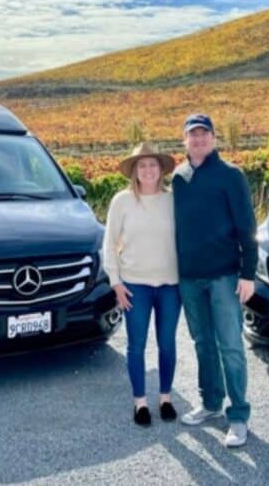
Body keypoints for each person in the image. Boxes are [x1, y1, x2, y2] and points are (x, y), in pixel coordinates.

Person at [172, 113, 257, 448]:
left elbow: (247, 227)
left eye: (204, 134)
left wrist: (248, 273)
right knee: (202, 344)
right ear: (185, 140)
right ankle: (210, 404)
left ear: (214, 138)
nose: (199, 139)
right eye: (193, 135)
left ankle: (238, 415)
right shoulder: (178, 178)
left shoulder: (231, 176)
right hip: (189, 279)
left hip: (224, 276)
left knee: (231, 347)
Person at [103, 142, 181, 427]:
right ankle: (140, 402)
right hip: (135, 285)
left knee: (168, 344)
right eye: (142, 165)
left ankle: (165, 398)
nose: (148, 170)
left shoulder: (173, 200)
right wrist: (116, 283)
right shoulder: (121, 201)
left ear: (161, 170)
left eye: (152, 165)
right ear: (134, 171)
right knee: (136, 345)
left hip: (171, 285)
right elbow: (109, 245)